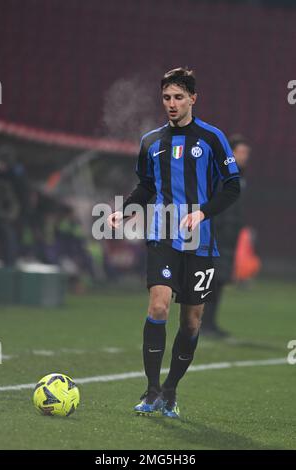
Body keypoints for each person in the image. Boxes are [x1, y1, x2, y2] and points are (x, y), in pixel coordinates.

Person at [107, 68, 240, 418]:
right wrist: (125, 210)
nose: (172, 104)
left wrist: (203, 213)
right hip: (163, 232)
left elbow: (232, 187)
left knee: (192, 322)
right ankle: (151, 390)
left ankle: (170, 390)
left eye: (179, 97)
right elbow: (147, 186)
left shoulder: (212, 139)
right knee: (159, 307)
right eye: (166, 97)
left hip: (202, 242)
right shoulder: (150, 142)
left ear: (193, 99)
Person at [201, 135, 251, 338]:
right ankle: (202, 324)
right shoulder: (222, 174)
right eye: (242, 152)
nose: (245, 156)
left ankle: (210, 323)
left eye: (247, 153)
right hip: (216, 236)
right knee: (211, 280)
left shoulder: (239, 176)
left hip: (228, 238)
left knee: (220, 281)